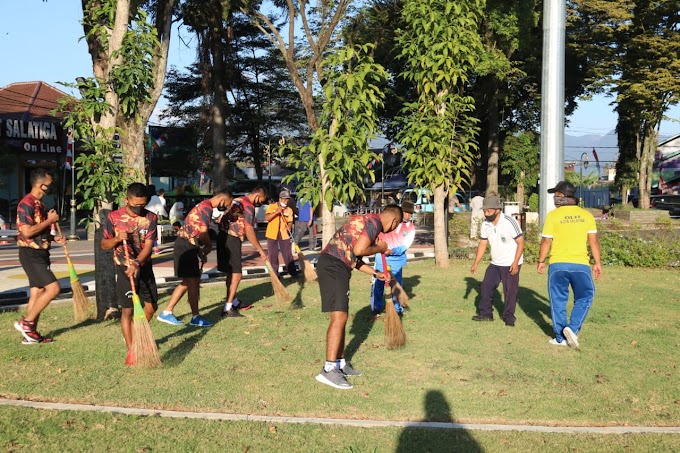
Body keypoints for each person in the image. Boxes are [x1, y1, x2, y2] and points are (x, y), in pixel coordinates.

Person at [315, 205, 403, 390]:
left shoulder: (367, 221)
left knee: (342, 316)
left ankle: (339, 363)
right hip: (333, 266)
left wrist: (375, 273)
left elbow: (354, 257)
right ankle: (329, 369)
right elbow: (360, 250)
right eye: (395, 226)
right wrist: (380, 247)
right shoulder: (375, 223)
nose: (392, 230)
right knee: (339, 317)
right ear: (394, 221)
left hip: (336, 264)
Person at [537, 181, 602, 349]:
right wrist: (597, 262)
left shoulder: (553, 216)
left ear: (563, 196)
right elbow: (593, 241)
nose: (553, 198)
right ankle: (572, 329)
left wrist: (541, 261)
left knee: (558, 300)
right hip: (581, 265)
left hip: (558, 265)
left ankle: (561, 337)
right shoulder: (586, 215)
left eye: (555, 195)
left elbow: (546, 241)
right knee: (585, 296)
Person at [157, 189, 235, 327]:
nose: (225, 207)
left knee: (188, 281)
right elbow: (204, 233)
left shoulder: (203, 205)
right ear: (222, 200)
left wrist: (199, 251)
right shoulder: (206, 208)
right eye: (227, 204)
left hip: (189, 244)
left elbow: (194, 230)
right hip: (185, 245)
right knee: (192, 281)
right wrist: (208, 246)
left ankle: (168, 312)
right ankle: (195, 316)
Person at [101, 183, 159, 365]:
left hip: (143, 265)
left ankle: (139, 335)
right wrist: (118, 238)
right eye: (135, 205)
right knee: (127, 310)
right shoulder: (113, 217)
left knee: (151, 307)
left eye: (143, 205)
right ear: (126, 199)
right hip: (124, 268)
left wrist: (137, 262)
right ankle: (132, 349)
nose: (139, 209)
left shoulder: (151, 218)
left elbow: (149, 246)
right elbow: (104, 245)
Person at [13, 169, 67, 344]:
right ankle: (26, 323)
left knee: (37, 293)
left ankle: (30, 335)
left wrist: (53, 237)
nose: (51, 188)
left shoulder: (40, 204)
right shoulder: (26, 204)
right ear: (41, 185)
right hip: (30, 254)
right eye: (49, 185)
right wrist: (50, 221)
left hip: (41, 252)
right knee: (53, 288)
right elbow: (27, 232)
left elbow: (39, 231)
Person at [470, 195, 524, 327]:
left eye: (488, 211)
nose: (485, 213)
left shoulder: (510, 222)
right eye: (484, 211)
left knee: (510, 291)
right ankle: (486, 314)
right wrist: (476, 262)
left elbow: (521, 243)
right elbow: (483, 244)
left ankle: (509, 317)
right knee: (486, 286)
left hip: (511, 262)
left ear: (497, 210)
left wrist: (515, 262)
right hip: (495, 262)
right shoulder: (485, 224)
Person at [217, 187, 268, 317]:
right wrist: (260, 249)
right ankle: (228, 308)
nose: (260, 203)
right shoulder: (248, 206)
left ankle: (233, 301)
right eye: (261, 201)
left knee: (230, 273)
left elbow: (220, 219)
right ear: (257, 197)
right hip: (232, 238)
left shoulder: (237, 200)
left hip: (222, 236)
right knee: (237, 274)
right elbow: (249, 229)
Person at [370, 200, 416, 318]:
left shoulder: (410, 227)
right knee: (379, 283)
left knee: (396, 285)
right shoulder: (390, 221)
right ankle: (376, 308)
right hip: (382, 258)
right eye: (406, 213)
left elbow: (405, 244)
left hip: (397, 260)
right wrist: (379, 247)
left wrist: (392, 251)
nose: (407, 216)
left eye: (410, 214)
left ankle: (397, 309)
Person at [264, 189, 298, 278]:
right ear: (280, 198)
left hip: (283, 234)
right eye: (284, 199)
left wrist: (289, 226)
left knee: (287, 254)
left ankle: (293, 272)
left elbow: (290, 221)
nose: (285, 201)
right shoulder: (272, 206)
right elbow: (267, 218)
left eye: (287, 199)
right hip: (272, 234)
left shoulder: (289, 210)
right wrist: (276, 212)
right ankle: (275, 274)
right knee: (273, 254)